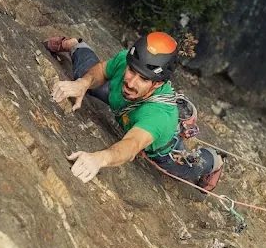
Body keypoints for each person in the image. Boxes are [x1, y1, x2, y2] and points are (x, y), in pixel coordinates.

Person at [46, 32, 224, 189]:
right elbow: (101, 70)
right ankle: (75, 45)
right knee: (84, 77)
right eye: (131, 70)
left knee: (178, 172)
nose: (131, 82)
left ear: (158, 84)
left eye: (143, 79)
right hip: (123, 105)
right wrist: (82, 84)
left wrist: (100, 158)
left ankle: (214, 160)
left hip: (158, 146)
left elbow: (131, 145)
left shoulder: (158, 116)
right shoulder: (129, 60)